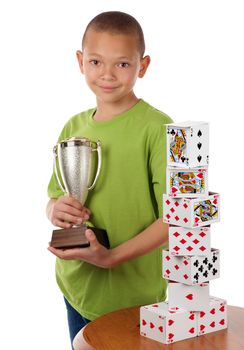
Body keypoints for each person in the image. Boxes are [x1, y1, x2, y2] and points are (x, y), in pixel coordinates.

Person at [46, 11, 172, 350]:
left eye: (122, 64)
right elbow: (55, 196)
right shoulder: (73, 127)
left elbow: (175, 219)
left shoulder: (158, 129)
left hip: (135, 296)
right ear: (80, 61)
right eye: (96, 61)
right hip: (77, 287)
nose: (107, 75)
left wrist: (112, 257)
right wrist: (56, 210)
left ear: (142, 66)